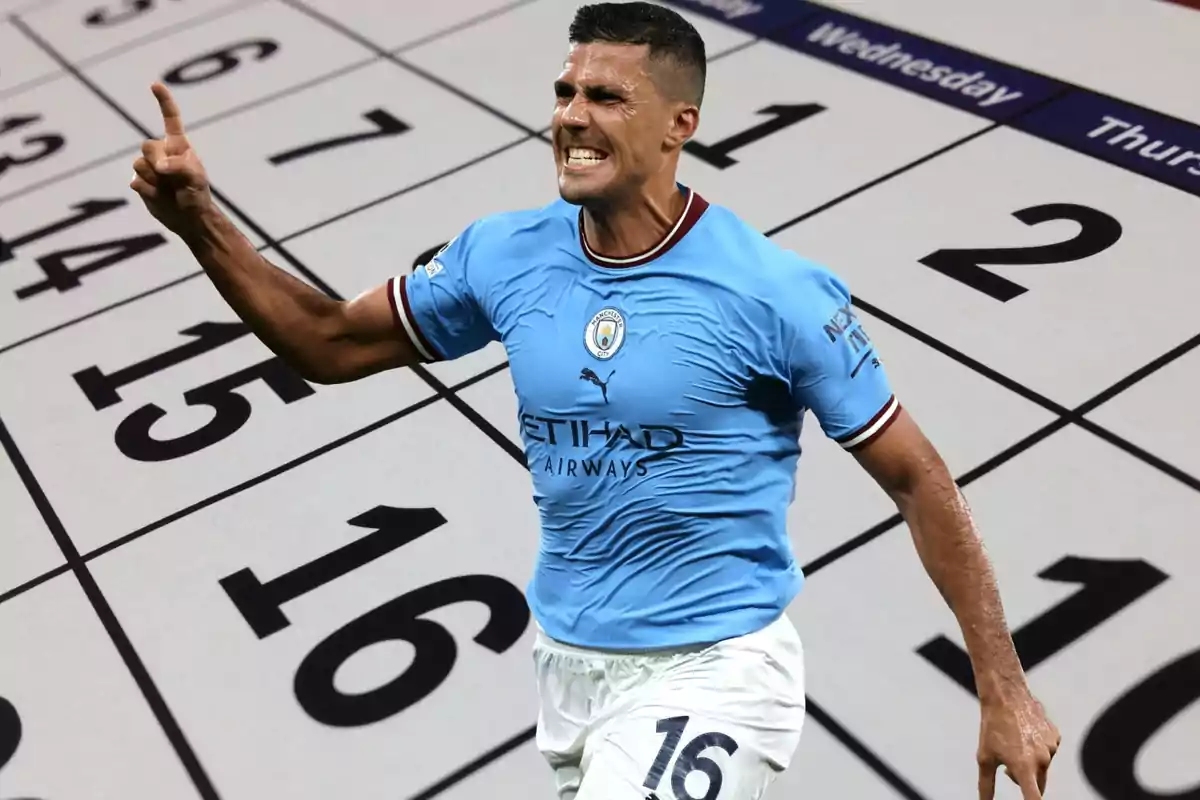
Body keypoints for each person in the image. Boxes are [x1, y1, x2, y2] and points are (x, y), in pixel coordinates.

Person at [129, 3, 1060, 798]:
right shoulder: (503, 253)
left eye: (607, 97)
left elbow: (919, 477)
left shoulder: (773, 292)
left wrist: (1002, 684)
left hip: (716, 670)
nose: (572, 117)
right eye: (565, 93)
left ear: (678, 125)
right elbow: (328, 342)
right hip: (569, 666)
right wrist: (201, 225)